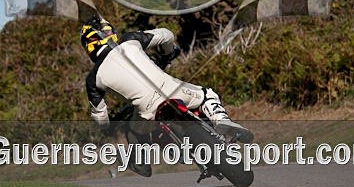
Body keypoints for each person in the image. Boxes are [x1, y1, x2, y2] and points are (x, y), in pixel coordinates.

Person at [80, 15, 252, 174]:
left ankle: (141, 162)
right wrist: (168, 52)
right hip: (173, 90)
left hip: (146, 111)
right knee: (206, 95)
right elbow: (166, 34)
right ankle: (222, 120)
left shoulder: (93, 78)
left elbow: (100, 116)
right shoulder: (130, 40)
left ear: (89, 44)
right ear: (109, 33)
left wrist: (106, 126)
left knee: (134, 130)